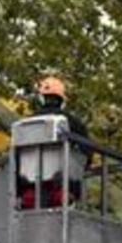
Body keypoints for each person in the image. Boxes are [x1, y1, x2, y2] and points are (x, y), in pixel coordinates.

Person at [19, 76, 91, 209]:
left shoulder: (25, 124)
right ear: (62, 101)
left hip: (29, 189)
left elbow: (17, 157)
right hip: (63, 187)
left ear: (41, 99)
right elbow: (86, 156)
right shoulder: (75, 124)